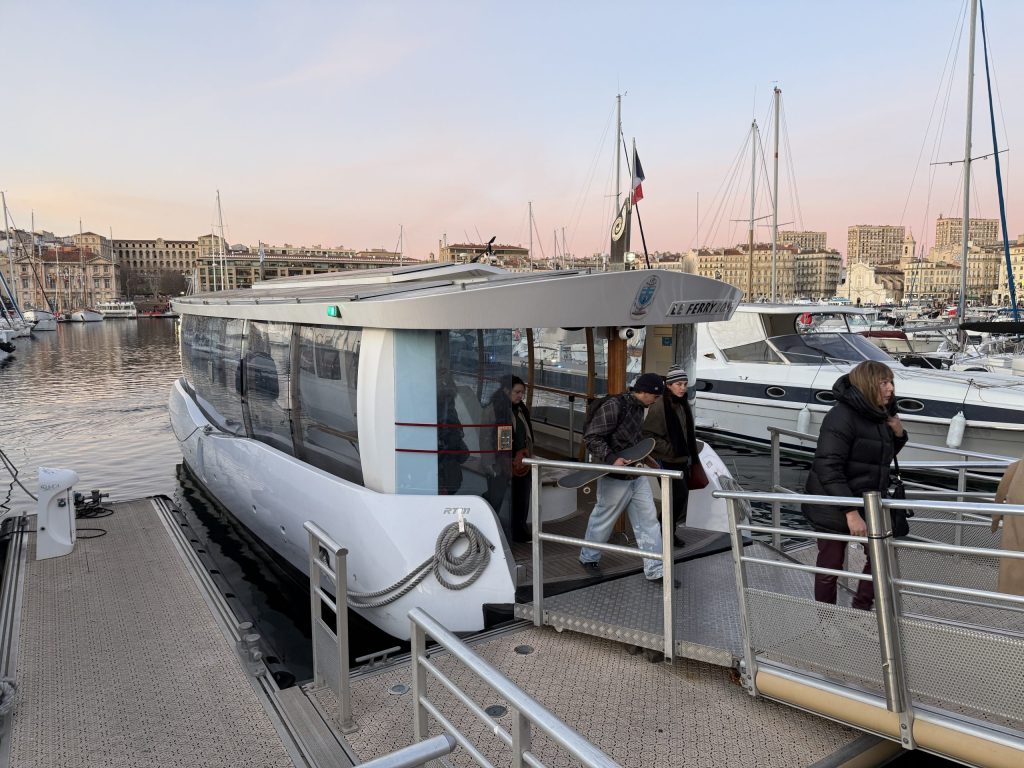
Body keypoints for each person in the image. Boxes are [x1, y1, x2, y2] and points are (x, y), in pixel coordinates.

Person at [803, 360, 907, 610]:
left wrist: (899, 434)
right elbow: (828, 467)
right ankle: (826, 620)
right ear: (868, 384)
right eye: (884, 383)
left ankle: (860, 610)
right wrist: (850, 513)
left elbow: (877, 457)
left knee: (881, 557)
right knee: (831, 564)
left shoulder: (880, 414)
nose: (890, 388)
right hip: (833, 503)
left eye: (891, 382)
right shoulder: (841, 416)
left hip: (867, 501)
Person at [579, 373, 671, 583]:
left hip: (636, 474)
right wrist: (612, 459)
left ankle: (655, 568)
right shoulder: (614, 405)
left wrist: (646, 458)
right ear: (645, 392)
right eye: (655, 396)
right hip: (614, 474)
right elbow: (591, 437)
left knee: (649, 521)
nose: (656, 400)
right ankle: (588, 558)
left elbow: (633, 441)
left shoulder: (639, 407)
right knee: (603, 519)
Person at [642, 367, 699, 537]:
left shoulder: (682, 403)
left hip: (682, 459)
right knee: (676, 497)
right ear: (669, 385)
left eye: (685, 384)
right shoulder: (659, 406)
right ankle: (663, 533)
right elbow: (648, 435)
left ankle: (668, 533)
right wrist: (672, 449)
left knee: (679, 498)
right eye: (678, 384)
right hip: (666, 460)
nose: (683, 388)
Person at [482, 375, 534, 543]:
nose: (520, 396)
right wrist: (490, 464)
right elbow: (485, 439)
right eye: (517, 392)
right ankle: (486, 530)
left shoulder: (521, 410)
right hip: (501, 462)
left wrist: (527, 454)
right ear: (506, 391)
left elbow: (526, 435)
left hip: (521, 462)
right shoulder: (494, 410)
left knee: (521, 497)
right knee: (496, 497)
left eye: (522, 392)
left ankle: (519, 531)